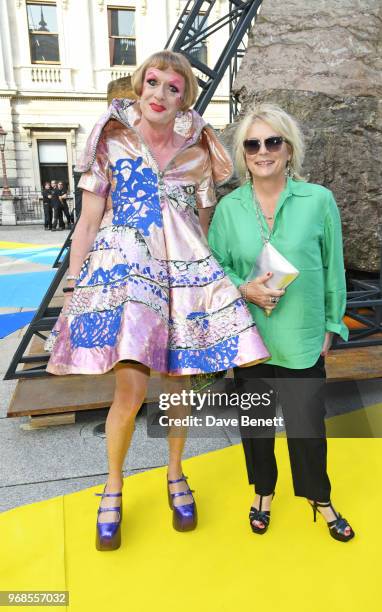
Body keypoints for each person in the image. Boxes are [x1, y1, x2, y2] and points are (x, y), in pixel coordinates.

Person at [45, 51, 269, 551]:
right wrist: (75, 282)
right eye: (152, 82)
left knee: (179, 395)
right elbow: (87, 221)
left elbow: (206, 230)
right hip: (128, 280)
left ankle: (174, 473)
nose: (160, 94)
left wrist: (221, 293)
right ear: (138, 85)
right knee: (128, 394)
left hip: (186, 287)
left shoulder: (201, 151)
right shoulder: (112, 140)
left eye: (173, 87)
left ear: (183, 97)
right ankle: (114, 485)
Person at [208, 103, 355, 542]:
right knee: (255, 425)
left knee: (308, 422)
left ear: (289, 149)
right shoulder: (230, 208)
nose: (263, 151)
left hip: (303, 333)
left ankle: (318, 497)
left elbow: (334, 267)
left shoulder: (319, 201)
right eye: (253, 144)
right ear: (243, 154)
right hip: (249, 335)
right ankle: (263, 493)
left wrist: (333, 323)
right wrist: (244, 287)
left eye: (273, 141)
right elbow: (213, 268)